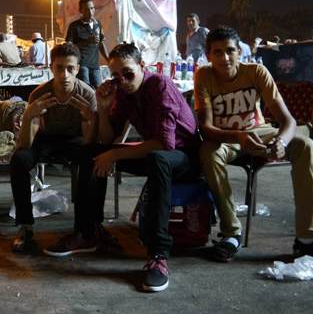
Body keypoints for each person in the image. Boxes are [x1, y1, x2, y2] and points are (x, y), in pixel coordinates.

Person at [194, 26, 313, 273]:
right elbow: (205, 128)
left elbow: (288, 121)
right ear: (208, 55)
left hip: (260, 131)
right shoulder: (203, 76)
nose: (224, 58)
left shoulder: (256, 72)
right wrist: (239, 136)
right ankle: (231, 234)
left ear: (240, 52)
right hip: (228, 138)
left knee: (306, 145)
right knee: (208, 152)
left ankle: (308, 241)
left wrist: (281, 142)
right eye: (217, 52)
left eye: (230, 51)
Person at [45, 43, 200, 292]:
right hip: (154, 153)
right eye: (115, 76)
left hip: (184, 157)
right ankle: (88, 232)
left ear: (142, 66)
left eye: (128, 73)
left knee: (157, 159)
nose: (123, 81)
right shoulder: (123, 94)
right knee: (90, 153)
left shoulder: (160, 85)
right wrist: (104, 109)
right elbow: (107, 140)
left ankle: (158, 255)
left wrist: (116, 154)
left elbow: (164, 144)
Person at [10, 43, 97, 253]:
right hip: (46, 140)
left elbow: (89, 142)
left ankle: (82, 230)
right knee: (19, 160)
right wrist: (30, 114)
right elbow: (25, 144)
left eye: (70, 68)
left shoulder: (87, 94)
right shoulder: (40, 93)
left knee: (91, 159)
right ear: (52, 67)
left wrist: (90, 119)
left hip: (75, 141)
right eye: (59, 68)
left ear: (77, 68)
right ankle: (25, 226)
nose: (65, 75)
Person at [65, 0, 109, 88]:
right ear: (81, 11)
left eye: (92, 8)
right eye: (86, 9)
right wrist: (86, 42)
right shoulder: (74, 26)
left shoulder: (98, 24)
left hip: (95, 65)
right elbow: (69, 47)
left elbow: (101, 44)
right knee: (86, 89)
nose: (90, 11)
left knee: (98, 88)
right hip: (81, 64)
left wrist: (109, 59)